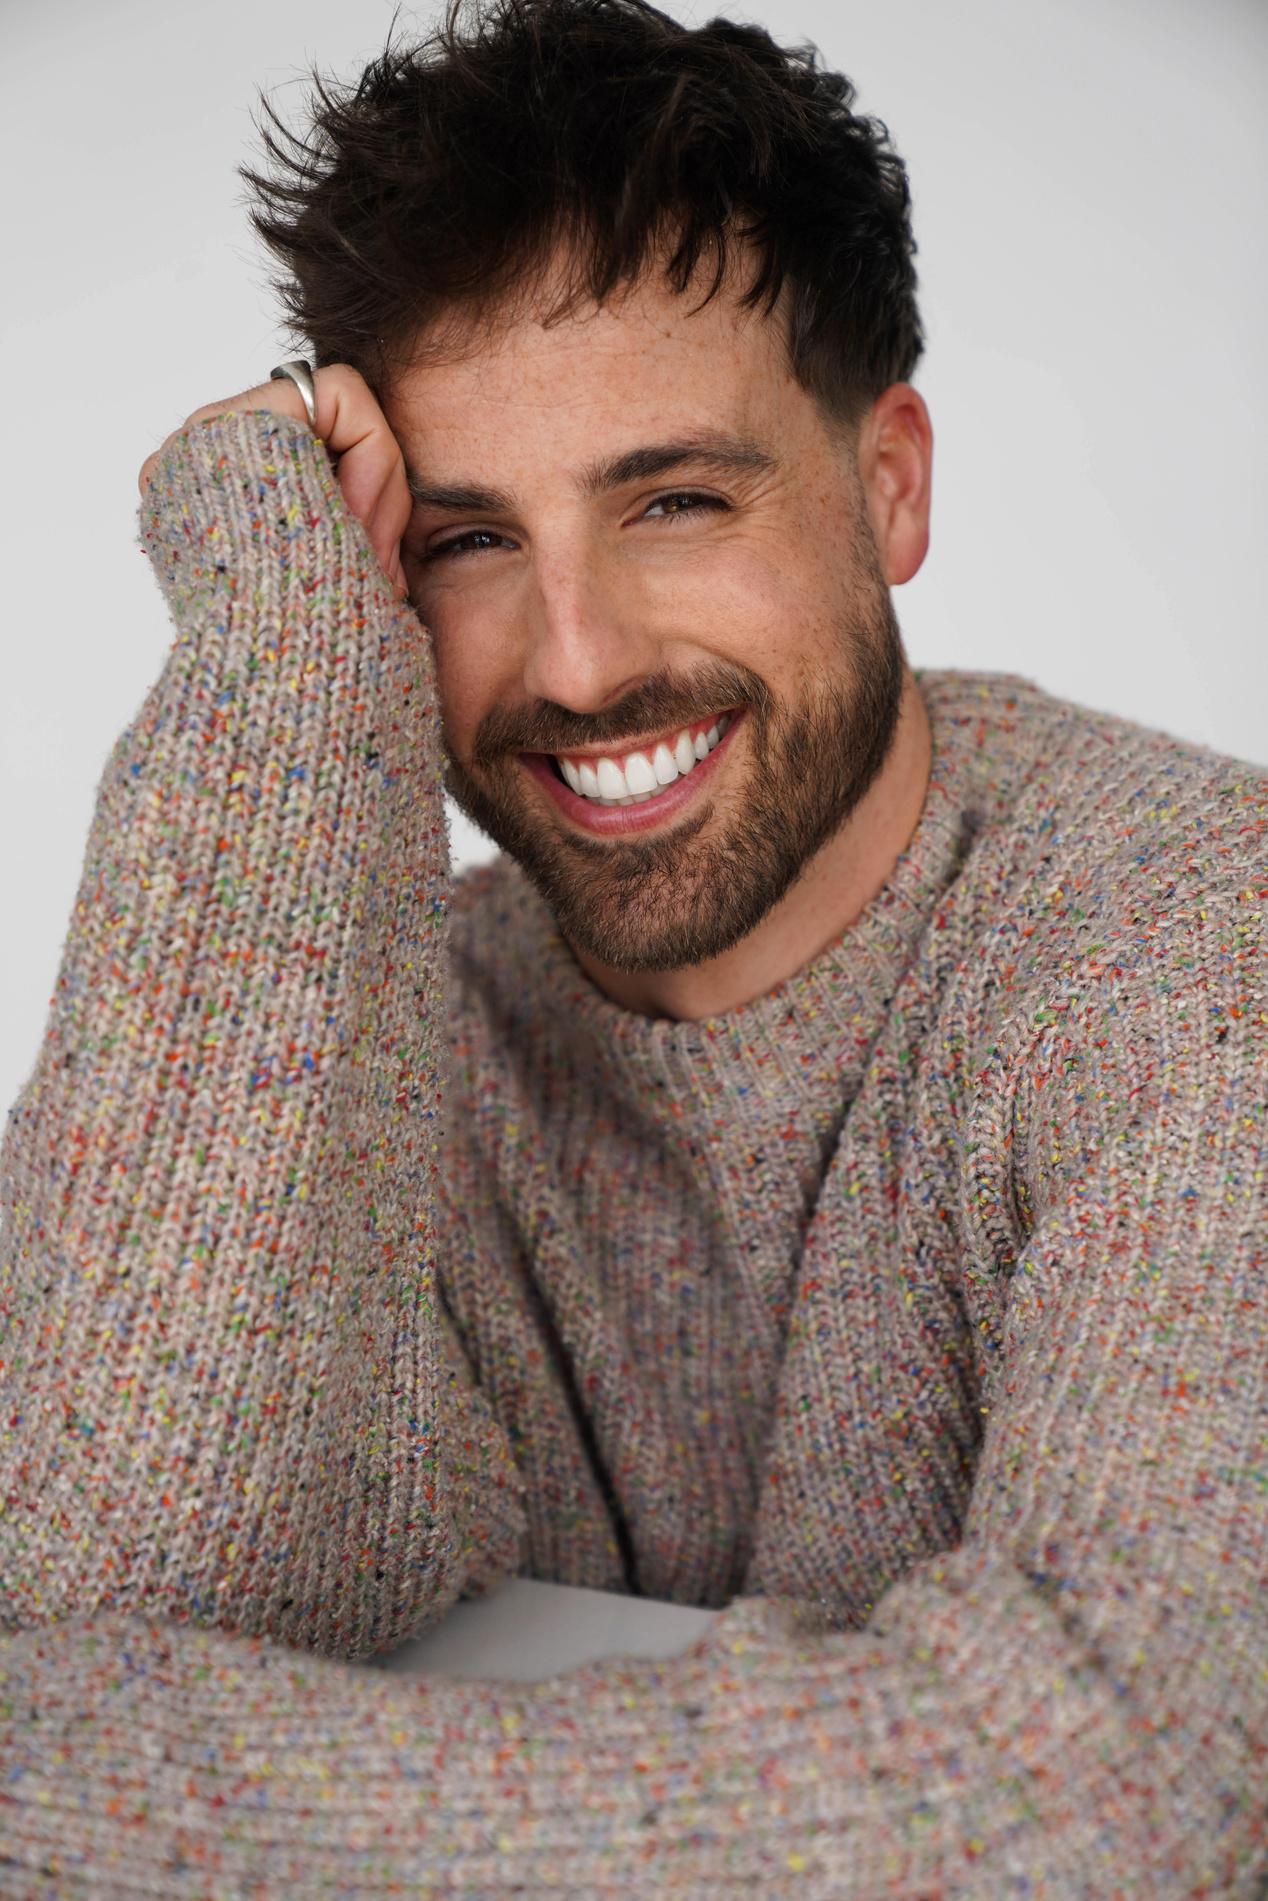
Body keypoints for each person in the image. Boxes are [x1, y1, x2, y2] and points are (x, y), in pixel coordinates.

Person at [1, 0, 1264, 1892]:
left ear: (890, 484)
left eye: (674, 501)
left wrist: (97, 1804)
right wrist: (274, 635)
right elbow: (97, 1580)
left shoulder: (1201, 939)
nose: (580, 663)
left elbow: (1135, 1785)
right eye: (465, 543)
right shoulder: (372, 1034)